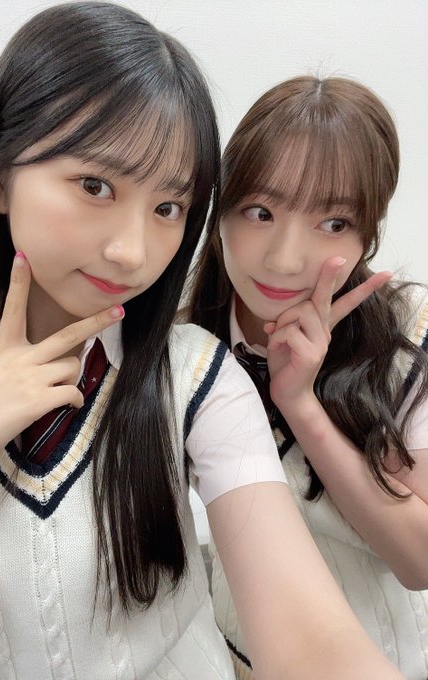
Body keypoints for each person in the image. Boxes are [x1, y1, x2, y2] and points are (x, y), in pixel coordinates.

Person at [0, 4, 405, 677]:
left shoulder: (198, 379)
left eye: (167, 208)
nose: (132, 250)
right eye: (95, 186)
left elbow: (308, 637)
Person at [188, 75, 428, 680]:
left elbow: (421, 560)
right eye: (260, 211)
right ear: (220, 212)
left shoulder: (403, 341)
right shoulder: (185, 346)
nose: (285, 259)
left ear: (368, 235)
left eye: (333, 222)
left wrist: (301, 405)